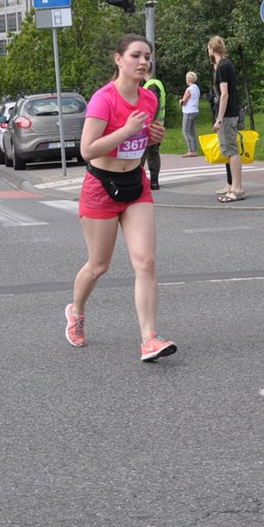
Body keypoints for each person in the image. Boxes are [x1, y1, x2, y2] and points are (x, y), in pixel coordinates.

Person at [65, 34, 175, 363]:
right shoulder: (104, 99)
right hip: (101, 186)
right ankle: (76, 311)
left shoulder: (149, 99)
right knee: (99, 265)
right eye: (135, 56)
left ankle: (149, 339)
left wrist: (153, 137)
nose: (143, 62)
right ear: (118, 59)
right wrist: (126, 130)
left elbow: (140, 140)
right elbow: (87, 150)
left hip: (136, 184)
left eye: (147, 56)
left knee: (146, 262)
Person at [209, 35, 243, 202]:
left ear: (212, 49)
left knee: (232, 151)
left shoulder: (222, 67)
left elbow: (224, 94)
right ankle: (232, 185)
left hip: (227, 114)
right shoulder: (226, 64)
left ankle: (237, 189)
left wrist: (219, 119)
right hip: (231, 112)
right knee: (230, 150)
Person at [140, 69, 165, 190]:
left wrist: (148, 124)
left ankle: (140, 181)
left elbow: (153, 105)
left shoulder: (151, 85)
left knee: (142, 154)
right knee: (153, 154)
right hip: (157, 125)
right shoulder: (156, 83)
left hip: (150, 125)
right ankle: (154, 182)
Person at [179, 71, 201, 156]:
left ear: (188, 79)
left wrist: (180, 101)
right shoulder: (196, 88)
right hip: (195, 110)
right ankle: (195, 149)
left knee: (185, 130)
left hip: (188, 111)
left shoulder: (189, 89)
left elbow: (184, 102)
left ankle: (191, 150)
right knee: (192, 131)